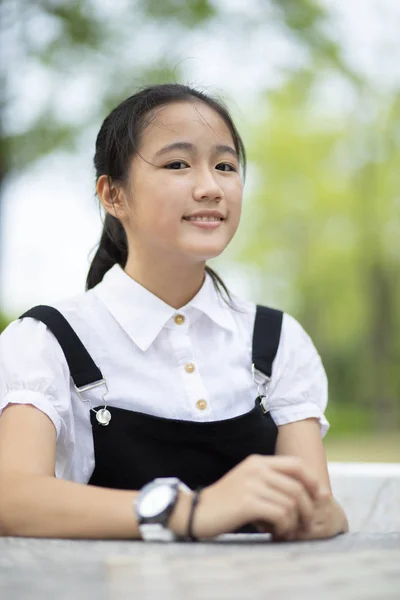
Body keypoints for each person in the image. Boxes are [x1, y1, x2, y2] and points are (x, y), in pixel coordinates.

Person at [0, 83, 348, 542]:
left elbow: (317, 505)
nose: (210, 187)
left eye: (225, 166)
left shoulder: (278, 339)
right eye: (178, 164)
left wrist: (322, 516)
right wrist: (186, 511)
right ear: (113, 195)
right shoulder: (47, 339)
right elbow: (12, 499)